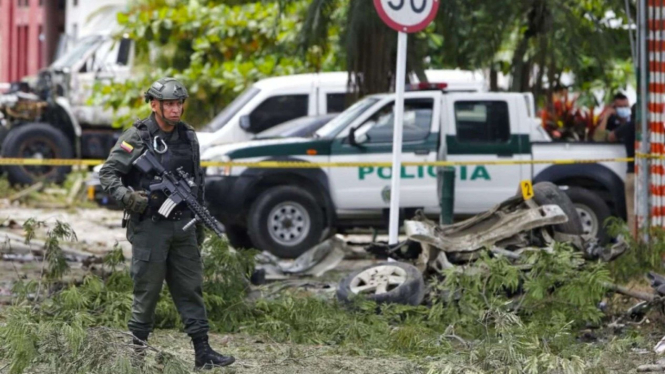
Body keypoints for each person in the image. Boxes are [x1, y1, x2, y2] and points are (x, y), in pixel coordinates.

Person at [99, 78, 235, 369]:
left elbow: (196, 183)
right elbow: (108, 173)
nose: (175, 110)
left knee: (191, 289)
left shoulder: (188, 136)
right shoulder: (137, 136)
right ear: (154, 105)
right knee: (146, 292)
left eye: (179, 104)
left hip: (183, 225)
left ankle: (203, 352)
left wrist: (198, 224)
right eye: (169, 104)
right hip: (150, 227)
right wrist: (128, 197)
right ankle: (136, 358)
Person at [607, 103, 636, 237]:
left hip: (632, 174)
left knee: (631, 213)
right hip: (650, 177)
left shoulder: (629, 126)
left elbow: (610, 137)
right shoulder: (655, 129)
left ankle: (634, 244)